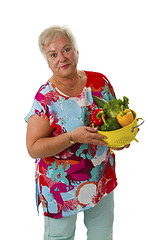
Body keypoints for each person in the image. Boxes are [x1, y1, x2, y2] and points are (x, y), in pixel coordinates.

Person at [25, 25, 129, 240]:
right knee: (60, 237)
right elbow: (33, 148)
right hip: (61, 187)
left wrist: (120, 139)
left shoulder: (100, 82)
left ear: (76, 51)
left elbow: (114, 122)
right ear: (47, 60)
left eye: (66, 50)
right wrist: (72, 137)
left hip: (101, 179)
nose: (61, 58)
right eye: (53, 54)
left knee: (102, 234)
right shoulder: (45, 97)